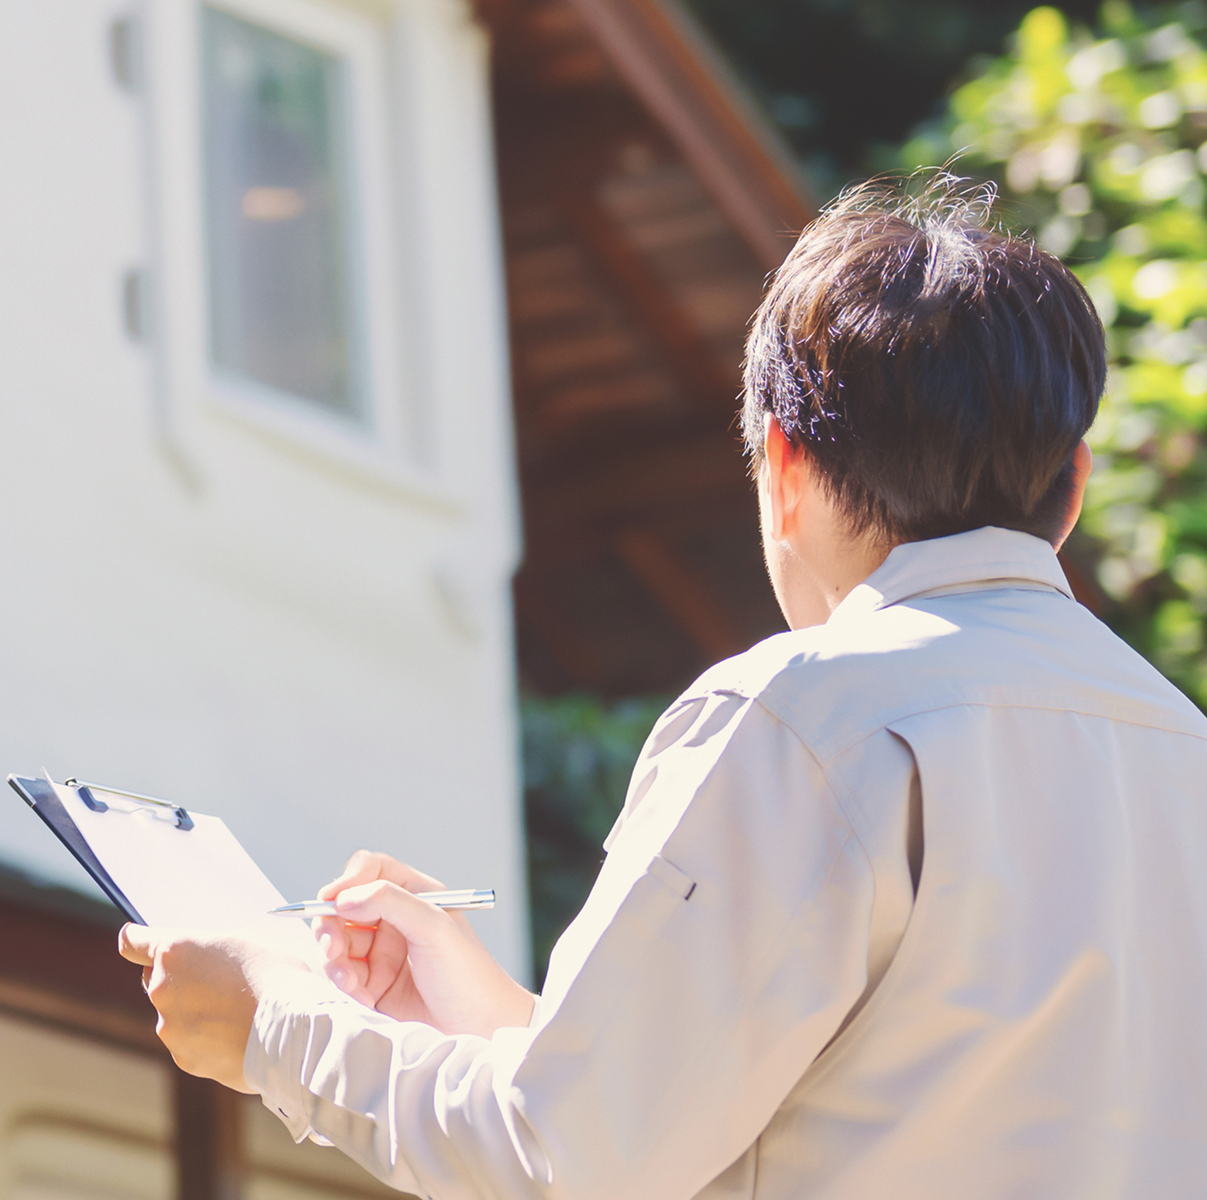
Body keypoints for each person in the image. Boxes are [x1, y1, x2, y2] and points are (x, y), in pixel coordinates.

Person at [119, 179, 1207, 1198]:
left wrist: (273, 1015)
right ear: (1072, 487)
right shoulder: (1182, 746)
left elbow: (567, 1159)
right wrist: (494, 1022)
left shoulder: (804, 715)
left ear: (782, 468)